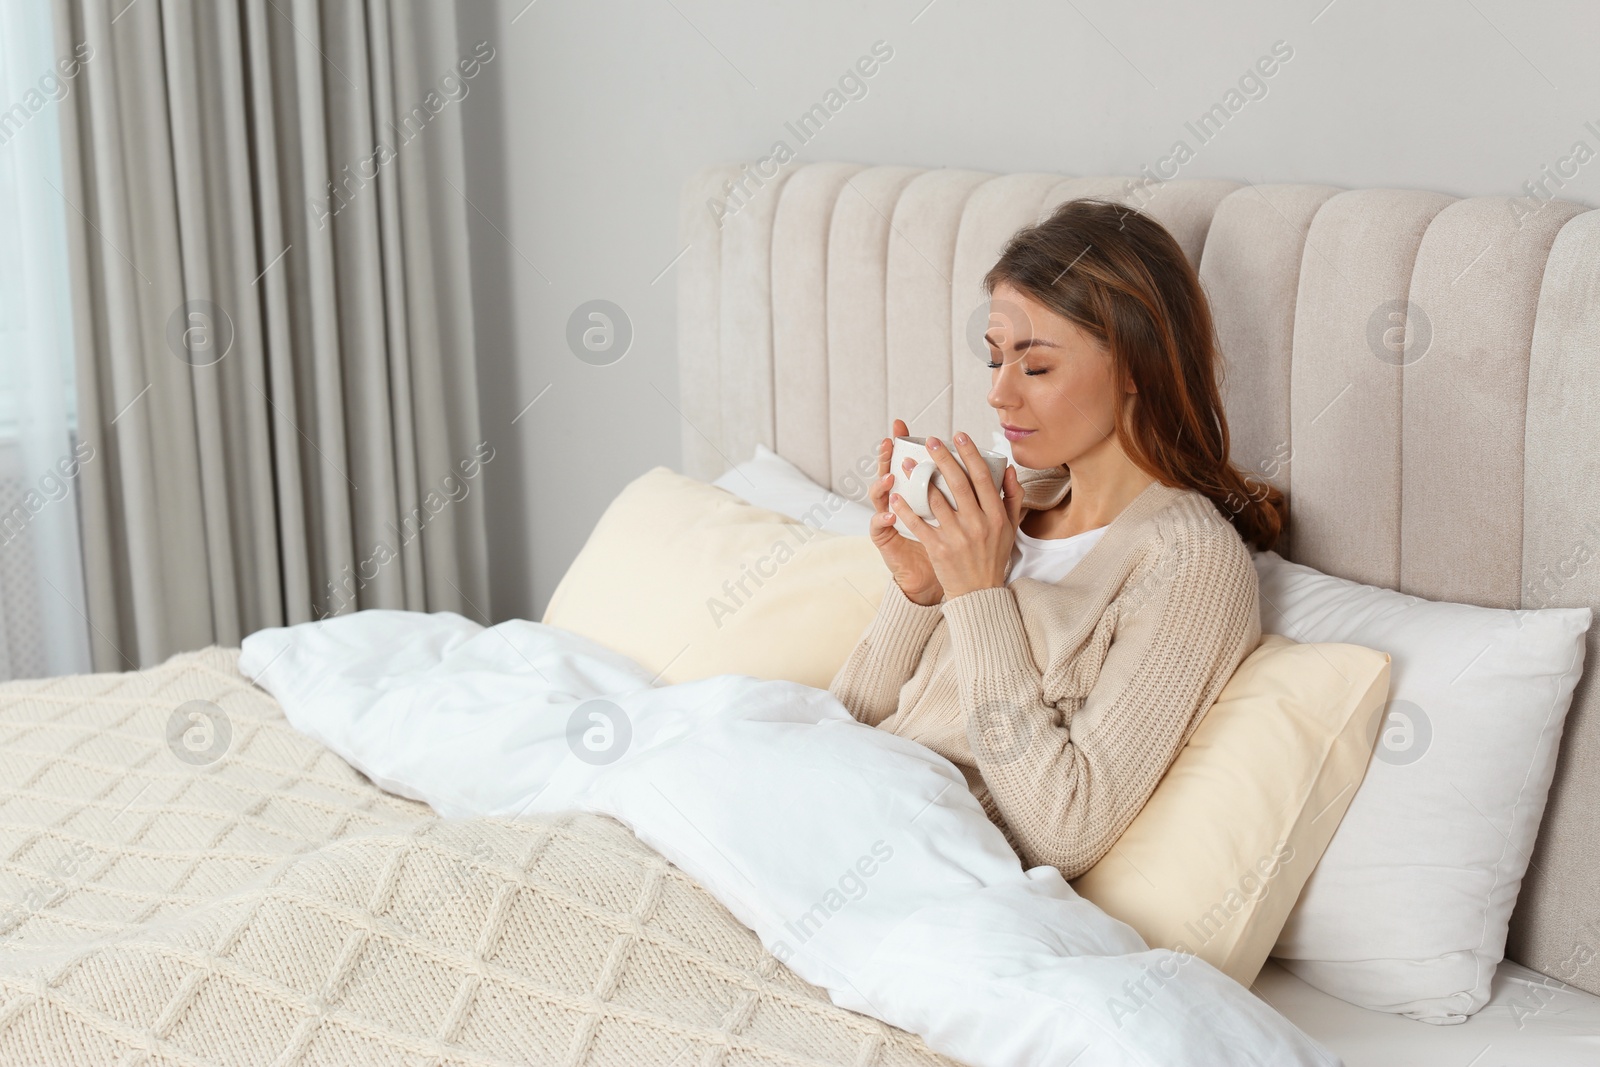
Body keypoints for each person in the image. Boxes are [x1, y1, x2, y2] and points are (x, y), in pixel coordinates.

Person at [828, 198, 1285, 880]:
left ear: (1137, 367)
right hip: (833, 816)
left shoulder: (1189, 562)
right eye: (995, 361)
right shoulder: (1009, 503)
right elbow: (844, 725)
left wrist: (978, 594)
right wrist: (920, 590)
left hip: (923, 871)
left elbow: (1063, 831)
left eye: (1035, 367)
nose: (999, 395)